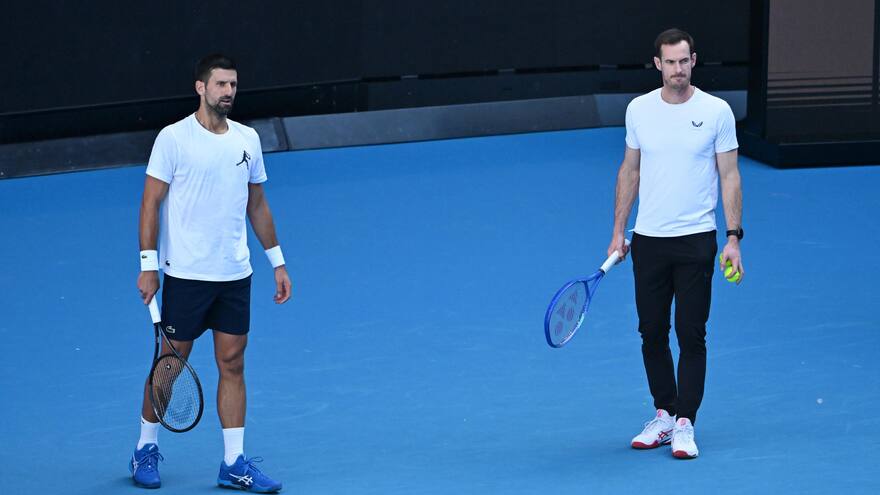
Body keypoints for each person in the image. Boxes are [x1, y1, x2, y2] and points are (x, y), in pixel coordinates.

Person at [131, 54, 292, 491]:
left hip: (235, 275)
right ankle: (145, 447)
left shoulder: (247, 139)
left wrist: (276, 260)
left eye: (233, 85)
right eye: (220, 84)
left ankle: (234, 463)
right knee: (169, 365)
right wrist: (149, 267)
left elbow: (256, 204)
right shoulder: (173, 138)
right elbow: (151, 202)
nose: (228, 92)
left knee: (233, 364)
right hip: (185, 275)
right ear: (200, 87)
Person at [607, 28, 744, 459]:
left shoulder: (717, 111)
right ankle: (664, 414)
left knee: (691, 333)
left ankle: (686, 421)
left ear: (693, 61)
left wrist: (733, 238)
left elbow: (729, 176)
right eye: (670, 62)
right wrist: (618, 230)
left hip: (696, 242)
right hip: (648, 241)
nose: (678, 69)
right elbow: (630, 171)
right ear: (658, 65)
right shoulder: (639, 110)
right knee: (651, 332)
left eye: (684, 61)